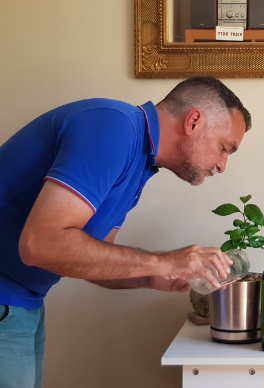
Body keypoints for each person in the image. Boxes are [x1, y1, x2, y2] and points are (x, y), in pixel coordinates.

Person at [0, 76, 251, 387]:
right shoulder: (114, 128)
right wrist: (164, 260)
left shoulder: (141, 163)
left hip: (23, 305)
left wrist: (152, 276)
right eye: (225, 148)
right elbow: (40, 244)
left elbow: (93, 257)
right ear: (194, 121)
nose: (222, 165)